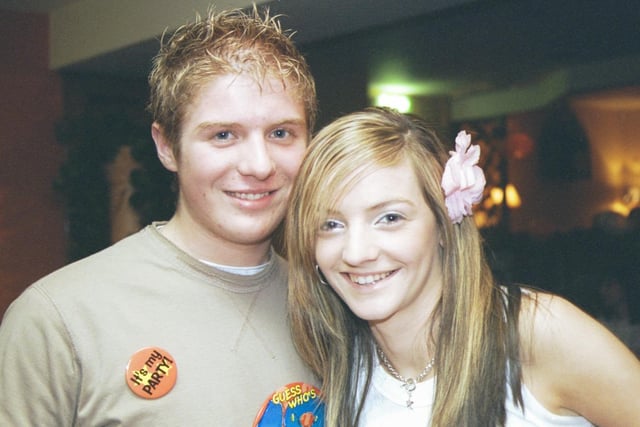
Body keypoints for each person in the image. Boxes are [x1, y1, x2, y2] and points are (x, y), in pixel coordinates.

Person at [0, 7, 322, 426]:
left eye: (281, 133)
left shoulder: (330, 307)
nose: (259, 165)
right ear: (167, 146)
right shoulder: (59, 318)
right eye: (223, 135)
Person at [286, 107, 640, 427]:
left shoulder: (533, 333)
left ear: (442, 225)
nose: (357, 252)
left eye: (389, 218)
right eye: (330, 224)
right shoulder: (339, 367)